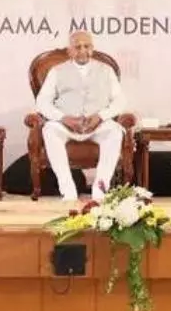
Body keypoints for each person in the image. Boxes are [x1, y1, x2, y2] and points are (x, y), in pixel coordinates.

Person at [34, 31, 126, 201]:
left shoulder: (106, 70)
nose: (83, 51)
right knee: (49, 129)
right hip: (66, 124)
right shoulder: (56, 71)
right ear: (70, 51)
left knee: (115, 131)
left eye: (87, 46)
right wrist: (63, 118)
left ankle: (100, 191)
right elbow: (42, 102)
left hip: (97, 125)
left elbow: (120, 101)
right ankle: (68, 190)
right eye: (77, 47)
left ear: (92, 48)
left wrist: (100, 116)